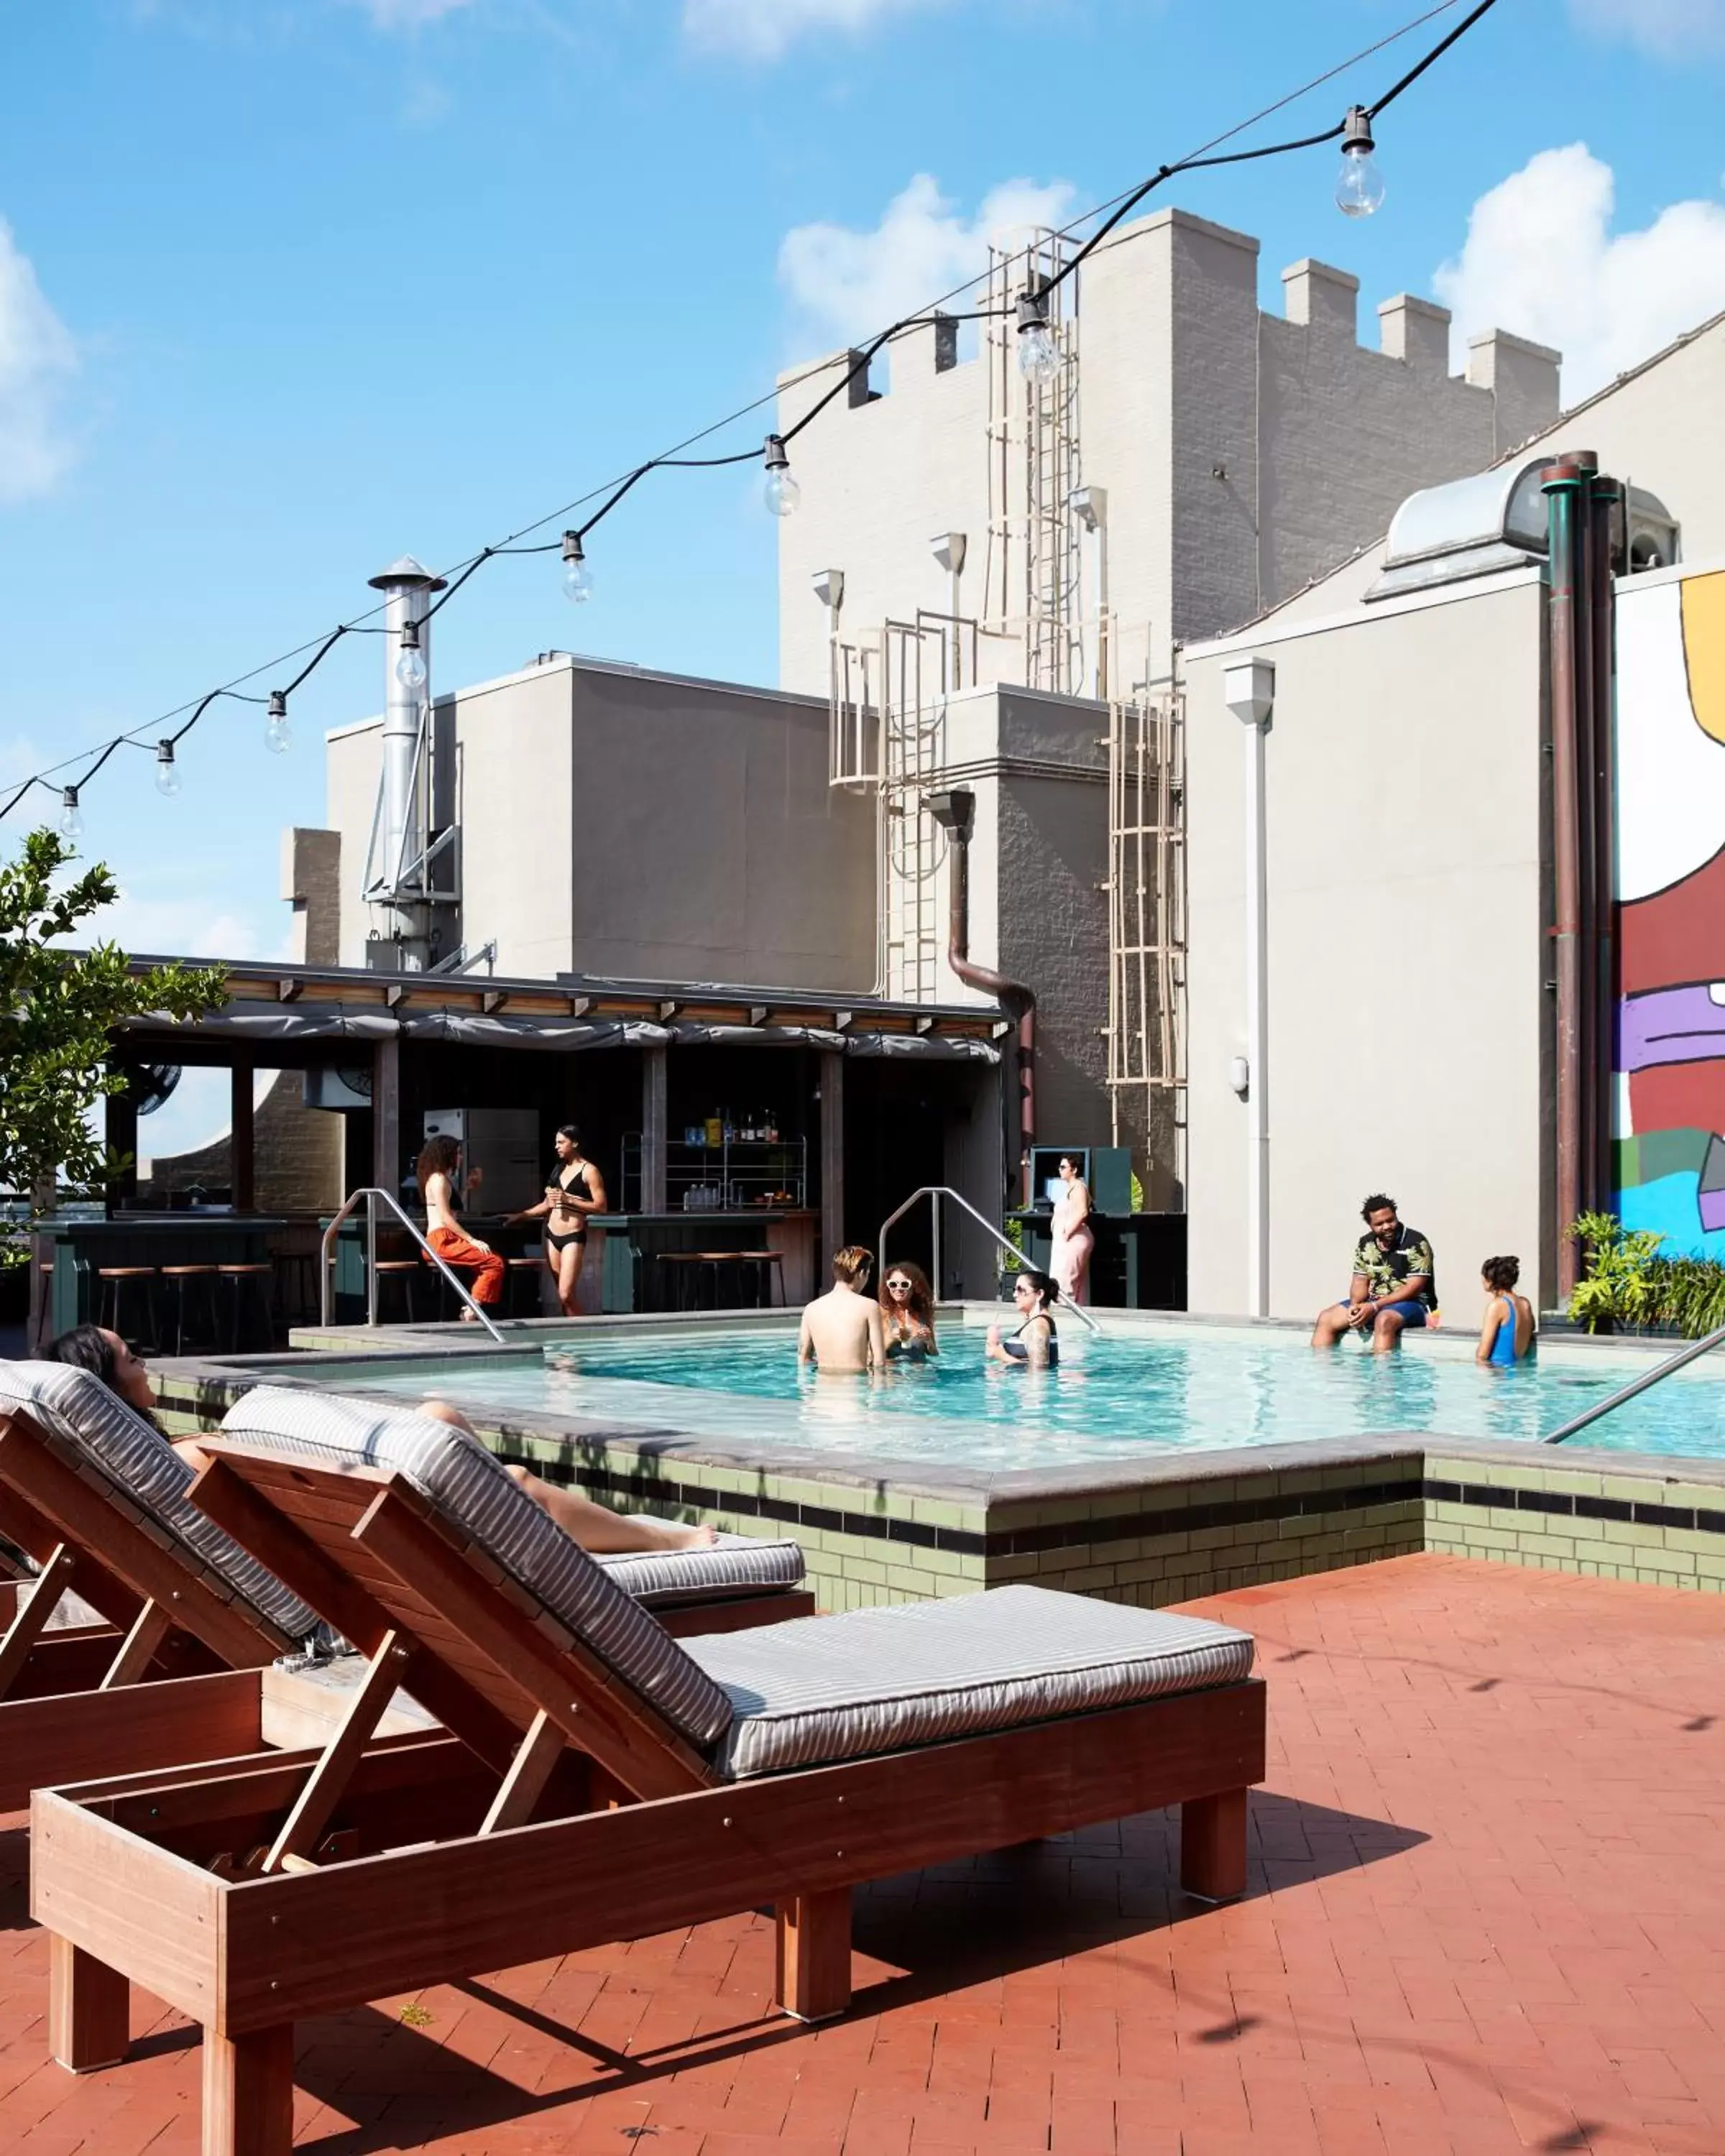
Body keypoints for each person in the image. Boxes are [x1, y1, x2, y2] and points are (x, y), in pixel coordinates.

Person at [45, 1325, 715, 1554]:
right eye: (131, 1359)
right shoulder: (186, 1459)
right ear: (106, 1384)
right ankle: (664, 1539)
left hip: (343, 1518)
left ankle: (617, 1529)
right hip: (360, 1537)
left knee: (441, 1416)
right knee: (510, 1487)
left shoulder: (118, 1466)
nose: (145, 1364)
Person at [1312, 1194, 1437, 1355]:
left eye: (1390, 1220)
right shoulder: (1366, 1243)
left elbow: (1414, 1287)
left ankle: (1381, 1377)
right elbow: (1360, 1280)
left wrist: (1375, 1306)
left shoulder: (1416, 1242)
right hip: (1374, 1302)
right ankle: (1322, 1372)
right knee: (1326, 1318)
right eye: (1379, 1224)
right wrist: (1355, 1306)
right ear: (1370, 1225)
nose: (1386, 1226)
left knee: (1384, 1320)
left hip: (1414, 1304)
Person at [508, 1125, 607, 1317]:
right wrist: (521, 1215)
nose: (557, 1147)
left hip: (572, 1236)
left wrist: (569, 1199)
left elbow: (601, 1207)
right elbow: (547, 1204)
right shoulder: (558, 1169)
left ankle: (590, 1332)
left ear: (575, 1143)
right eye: (556, 1143)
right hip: (551, 1234)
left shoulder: (589, 1171)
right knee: (562, 1297)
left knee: (566, 1293)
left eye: (561, 1142)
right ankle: (571, 1335)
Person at [418, 1133, 505, 1317]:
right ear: (446, 1155)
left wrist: (467, 1189)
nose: (461, 1157)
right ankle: (472, 1310)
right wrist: (472, 1240)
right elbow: (446, 1218)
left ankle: (472, 1307)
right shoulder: (438, 1180)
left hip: (445, 1238)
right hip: (440, 1240)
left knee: (489, 1261)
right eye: (457, 1153)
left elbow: (453, 1211)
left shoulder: (442, 1179)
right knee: (494, 1262)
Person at [798, 1246, 887, 1373]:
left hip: (822, 1392)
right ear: (861, 1274)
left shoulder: (811, 1309)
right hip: (856, 1390)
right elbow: (879, 1363)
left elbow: (803, 1360)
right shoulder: (869, 1306)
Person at [987, 1269, 1060, 1368]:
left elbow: (1039, 1371)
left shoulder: (1038, 1327)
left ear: (1039, 1294)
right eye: (1015, 1290)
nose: (1015, 1295)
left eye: (1020, 1290)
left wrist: (1001, 1355)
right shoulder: (1037, 1323)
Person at [1049, 1153, 1095, 1306]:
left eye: (1063, 1167)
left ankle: (1067, 1312)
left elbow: (1083, 1211)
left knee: (1067, 1279)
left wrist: (1068, 1232)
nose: (1060, 1170)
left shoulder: (1079, 1187)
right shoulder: (1067, 1189)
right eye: (1059, 1167)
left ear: (1074, 1170)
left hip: (1074, 1239)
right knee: (1066, 1279)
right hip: (1065, 1242)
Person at [1476, 1254, 1535, 1365]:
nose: (1482, 1280)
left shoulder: (1497, 1306)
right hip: (1518, 1371)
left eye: (1484, 1276)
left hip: (1499, 1374)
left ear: (1491, 1280)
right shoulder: (1525, 1304)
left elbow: (1483, 1354)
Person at [879, 1258, 938, 1358]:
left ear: (914, 1287)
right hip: (893, 1372)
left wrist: (929, 1342)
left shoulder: (923, 1316)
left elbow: (934, 1354)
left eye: (905, 1284)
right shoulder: (882, 1314)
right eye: (893, 1284)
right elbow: (870, 1355)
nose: (898, 1289)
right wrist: (890, 1339)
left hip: (920, 1373)